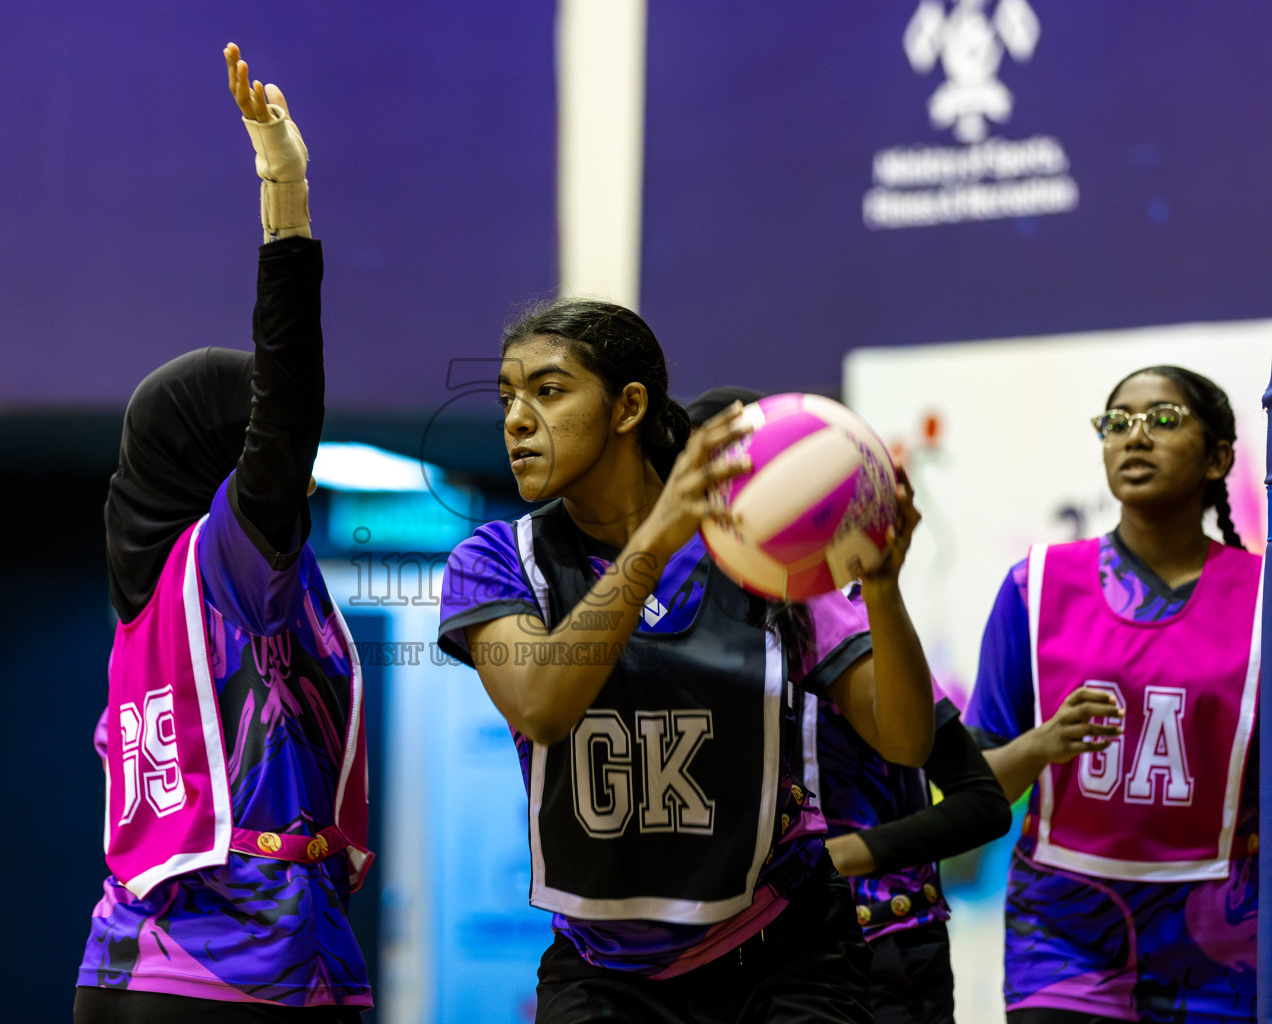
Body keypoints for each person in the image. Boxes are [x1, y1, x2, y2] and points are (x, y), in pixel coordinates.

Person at [436, 301, 937, 1023]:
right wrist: (656, 539)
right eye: (507, 398)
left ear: (627, 406)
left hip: (783, 945)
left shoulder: (756, 549)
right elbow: (542, 708)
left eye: (546, 392)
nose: (515, 419)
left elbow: (903, 739)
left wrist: (884, 592)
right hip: (602, 964)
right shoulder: (494, 560)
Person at [72, 44, 372, 1023]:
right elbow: (286, 407)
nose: (294, 461)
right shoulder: (222, 565)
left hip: (157, 958)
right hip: (227, 969)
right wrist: (284, 190)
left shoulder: (160, 594)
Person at [684, 387, 1012, 1024]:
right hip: (748, 958)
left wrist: (835, 857)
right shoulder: (687, 625)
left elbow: (979, 800)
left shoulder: (831, 614)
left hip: (881, 951)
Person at [964, 365, 1259, 1023]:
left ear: (1217, 459)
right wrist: (1040, 746)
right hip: (1064, 939)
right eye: (1115, 423)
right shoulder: (1034, 588)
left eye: (1161, 420)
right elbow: (971, 789)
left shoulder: (1261, 596)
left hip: (1222, 948)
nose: (1133, 437)